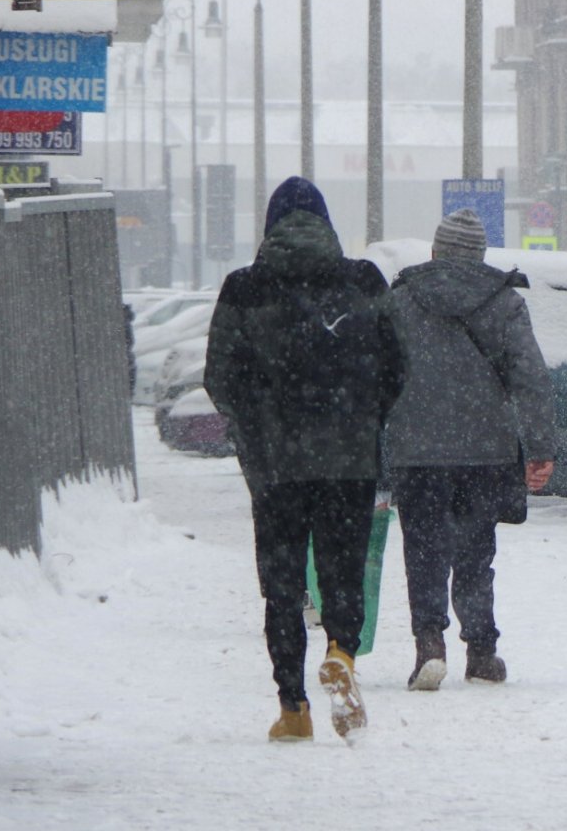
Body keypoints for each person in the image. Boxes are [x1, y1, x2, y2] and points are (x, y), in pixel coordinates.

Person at [204, 177, 405, 743]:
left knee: (283, 586)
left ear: (270, 226)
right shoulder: (363, 280)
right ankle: (341, 650)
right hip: (348, 459)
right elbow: (396, 365)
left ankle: (293, 707)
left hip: (276, 466)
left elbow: (219, 376)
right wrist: (364, 418)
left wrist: (255, 430)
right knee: (343, 569)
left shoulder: (244, 288)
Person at [384, 209, 556, 691]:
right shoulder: (504, 301)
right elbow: (531, 377)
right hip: (486, 451)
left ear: (435, 252)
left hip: (417, 451)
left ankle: (429, 646)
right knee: (476, 553)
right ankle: (481, 652)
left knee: (423, 551)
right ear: (480, 256)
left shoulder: (400, 300)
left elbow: (378, 378)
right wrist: (540, 447)